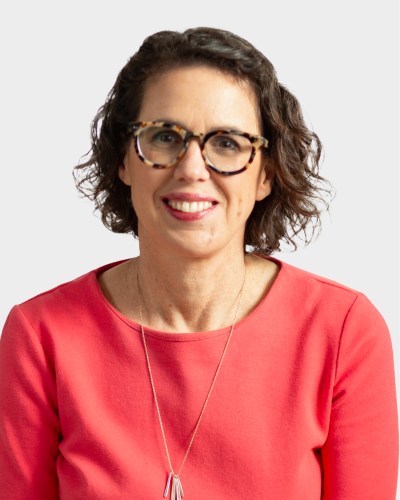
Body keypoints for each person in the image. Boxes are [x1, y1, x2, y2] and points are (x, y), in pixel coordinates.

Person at [0, 27, 398, 499]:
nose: (192, 169)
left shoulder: (342, 332)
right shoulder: (40, 335)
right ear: (125, 160)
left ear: (266, 173)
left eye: (227, 143)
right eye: (165, 137)